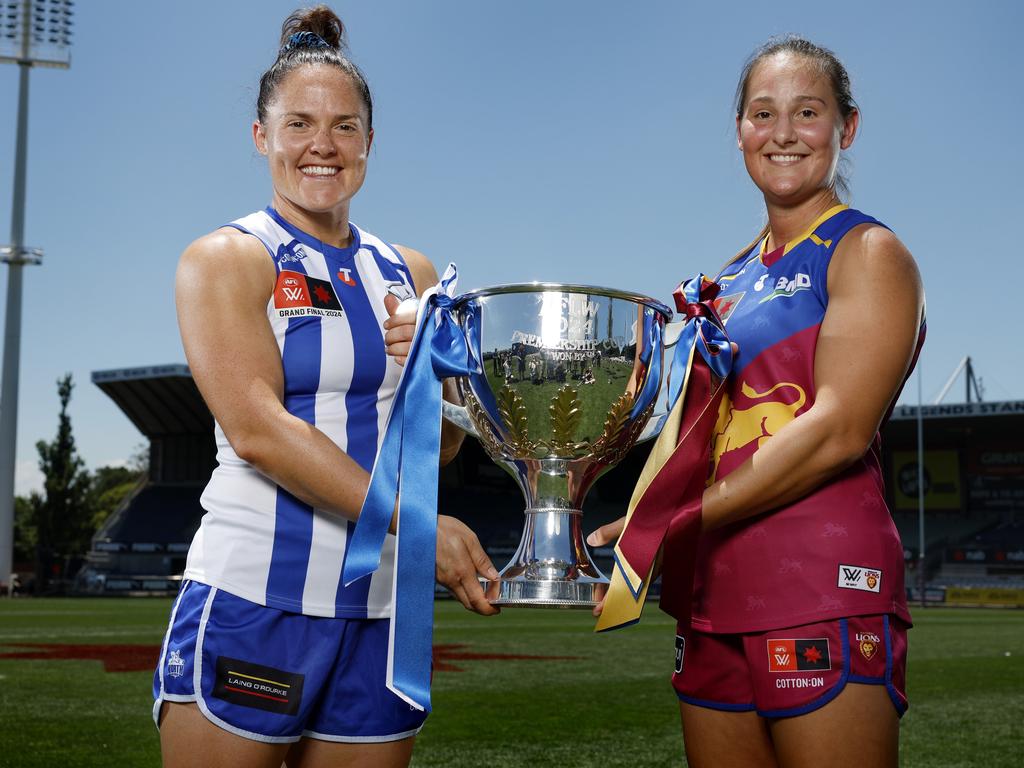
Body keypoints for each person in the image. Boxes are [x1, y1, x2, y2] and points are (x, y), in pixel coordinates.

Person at [152, 7, 499, 768]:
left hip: (380, 611)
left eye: (345, 127)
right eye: (299, 124)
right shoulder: (228, 258)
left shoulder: (409, 271)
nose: (322, 146)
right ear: (260, 137)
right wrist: (416, 529)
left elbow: (434, 447)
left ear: (370, 142)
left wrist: (438, 383)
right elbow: (259, 429)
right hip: (256, 600)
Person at [590, 36, 924, 768]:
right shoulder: (730, 278)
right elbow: (696, 444)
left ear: (848, 127)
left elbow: (838, 428)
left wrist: (671, 528)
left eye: (807, 112)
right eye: (762, 113)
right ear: (739, 129)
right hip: (714, 594)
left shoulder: (866, 252)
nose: (782, 134)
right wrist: (644, 520)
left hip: (821, 579)